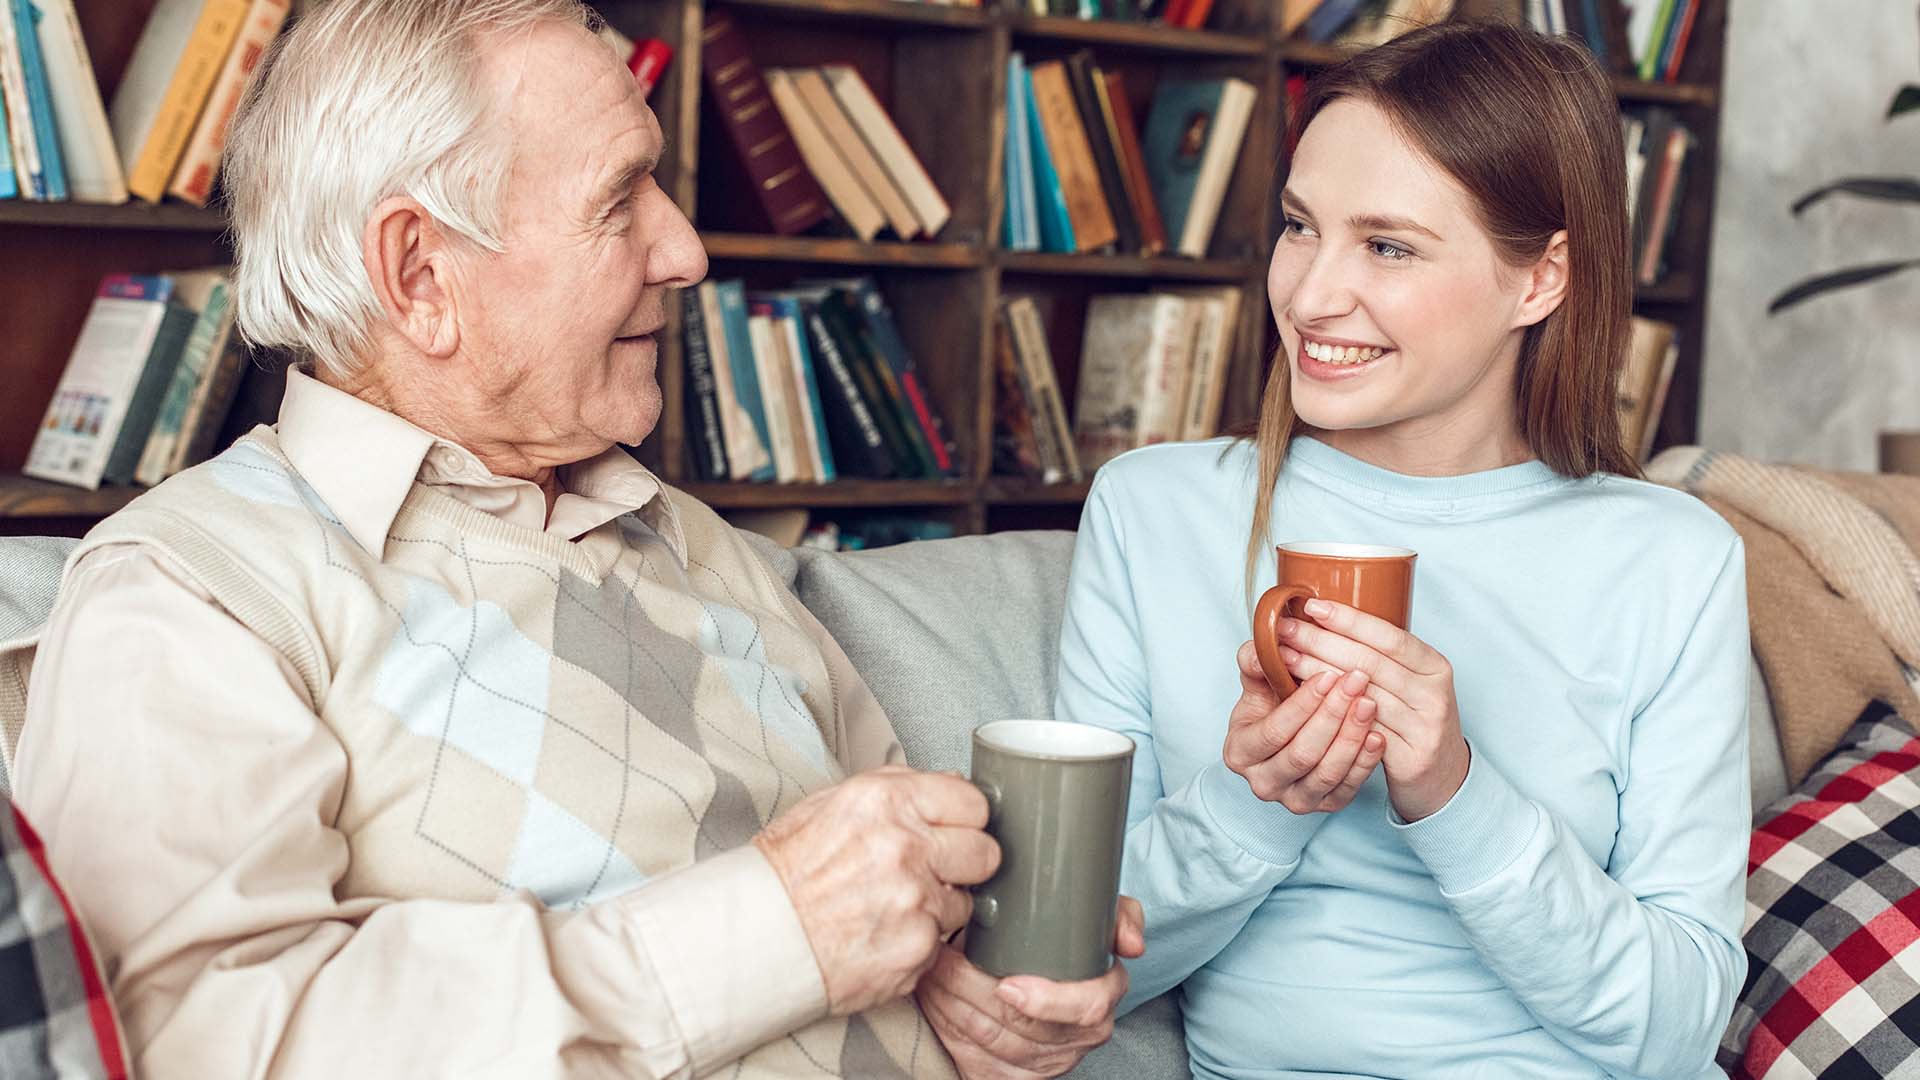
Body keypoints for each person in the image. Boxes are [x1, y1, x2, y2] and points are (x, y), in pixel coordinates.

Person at [3, 2, 1141, 1076]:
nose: (687, 251)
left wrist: (968, 987)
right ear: (418, 275)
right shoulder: (197, 593)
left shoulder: (700, 545)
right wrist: (769, 931)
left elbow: (897, 899)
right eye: (620, 200)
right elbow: (203, 1041)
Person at [1053, 21, 1749, 1080]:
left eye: (1387, 245)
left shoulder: (1671, 559)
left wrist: (1457, 796)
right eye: (1299, 226)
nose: (1311, 295)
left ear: (1541, 279)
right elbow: (1069, 964)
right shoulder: (1154, 512)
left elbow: (1679, 1031)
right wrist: (1259, 799)